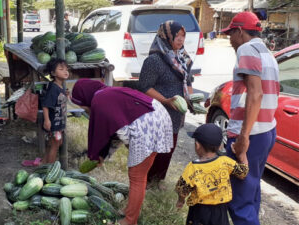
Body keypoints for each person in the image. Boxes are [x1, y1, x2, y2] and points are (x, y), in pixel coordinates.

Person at [71, 79, 174, 225]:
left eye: (81, 104)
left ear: (84, 97)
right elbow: (115, 130)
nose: (84, 108)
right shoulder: (107, 94)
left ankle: (130, 220)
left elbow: (102, 134)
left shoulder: (98, 101)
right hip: (157, 115)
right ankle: (130, 212)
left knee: (137, 176)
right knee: (139, 174)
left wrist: (98, 155)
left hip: (150, 123)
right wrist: (103, 155)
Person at [221, 12, 279, 225]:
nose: (229, 40)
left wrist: (243, 137)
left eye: (230, 34)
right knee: (251, 191)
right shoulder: (267, 53)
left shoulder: (246, 49)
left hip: (249, 135)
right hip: (266, 131)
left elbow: (256, 94)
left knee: (239, 200)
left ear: (240, 31)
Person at [138, 20, 194, 190]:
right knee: (154, 149)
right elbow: (144, 87)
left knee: (168, 149)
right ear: (166, 36)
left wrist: (192, 99)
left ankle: (157, 180)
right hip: (157, 112)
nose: (180, 39)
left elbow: (189, 81)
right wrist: (165, 100)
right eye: (177, 35)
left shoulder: (184, 58)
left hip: (176, 114)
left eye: (183, 36)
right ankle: (145, 182)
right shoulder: (154, 60)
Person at [175, 124, 249, 225]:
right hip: (220, 212)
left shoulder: (193, 167)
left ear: (197, 145)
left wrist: (181, 200)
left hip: (199, 211)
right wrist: (242, 154)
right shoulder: (226, 162)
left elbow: (182, 189)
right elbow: (243, 173)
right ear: (220, 146)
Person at [22, 58, 69, 166]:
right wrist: (47, 121)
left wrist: (65, 95)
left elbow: (58, 101)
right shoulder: (53, 88)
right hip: (53, 123)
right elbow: (46, 105)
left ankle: (43, 162)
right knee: (55, 145)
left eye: (66, 69)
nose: (65, 71)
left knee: (55, 143)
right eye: (61, 69)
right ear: (53, 73)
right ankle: (49, 168)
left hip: (58, 122)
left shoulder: (59, 86)